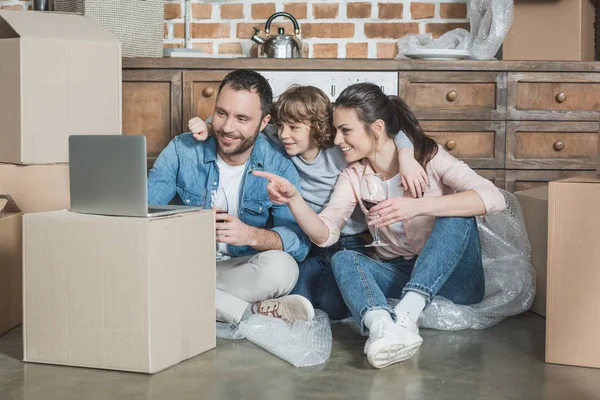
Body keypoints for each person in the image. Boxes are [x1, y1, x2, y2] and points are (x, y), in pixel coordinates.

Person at [253, 83, 506, 369]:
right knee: (344, 257)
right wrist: (294, 200)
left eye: (345, 130)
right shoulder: (353, 176)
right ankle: (382, 327)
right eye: (336, 131)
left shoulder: (429, 158)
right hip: (401, 273)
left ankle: (407, 315)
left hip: (457, 282)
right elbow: (327, 232)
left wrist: (418, 205)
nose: (336, 140)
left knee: (456, 213)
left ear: (376, 128)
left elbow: (494, 198)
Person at [188, 85, 428, 321]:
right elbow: (239, 123)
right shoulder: (282, 141)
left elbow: (389, 132)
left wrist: (406, 156)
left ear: (320, 127)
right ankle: (246, 310)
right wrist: (209, 126)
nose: (283, 134)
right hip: (307, 241)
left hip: (348, 241)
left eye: (293, 127)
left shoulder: (341, 148)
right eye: (281, 126)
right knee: (296, 293)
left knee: (332, 304)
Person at [147, 69, 313, 327]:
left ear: (263, 122)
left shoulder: (277, 165)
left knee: (284, 268)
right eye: (222, 113)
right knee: (145, 266)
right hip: (185, 263)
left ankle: (184, 295)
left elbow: (299, 243)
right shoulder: (183, 150)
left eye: (242, 118)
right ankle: (249, 314)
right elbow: (144, 211)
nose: (227, 127)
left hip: (238, 269)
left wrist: (250, 235)